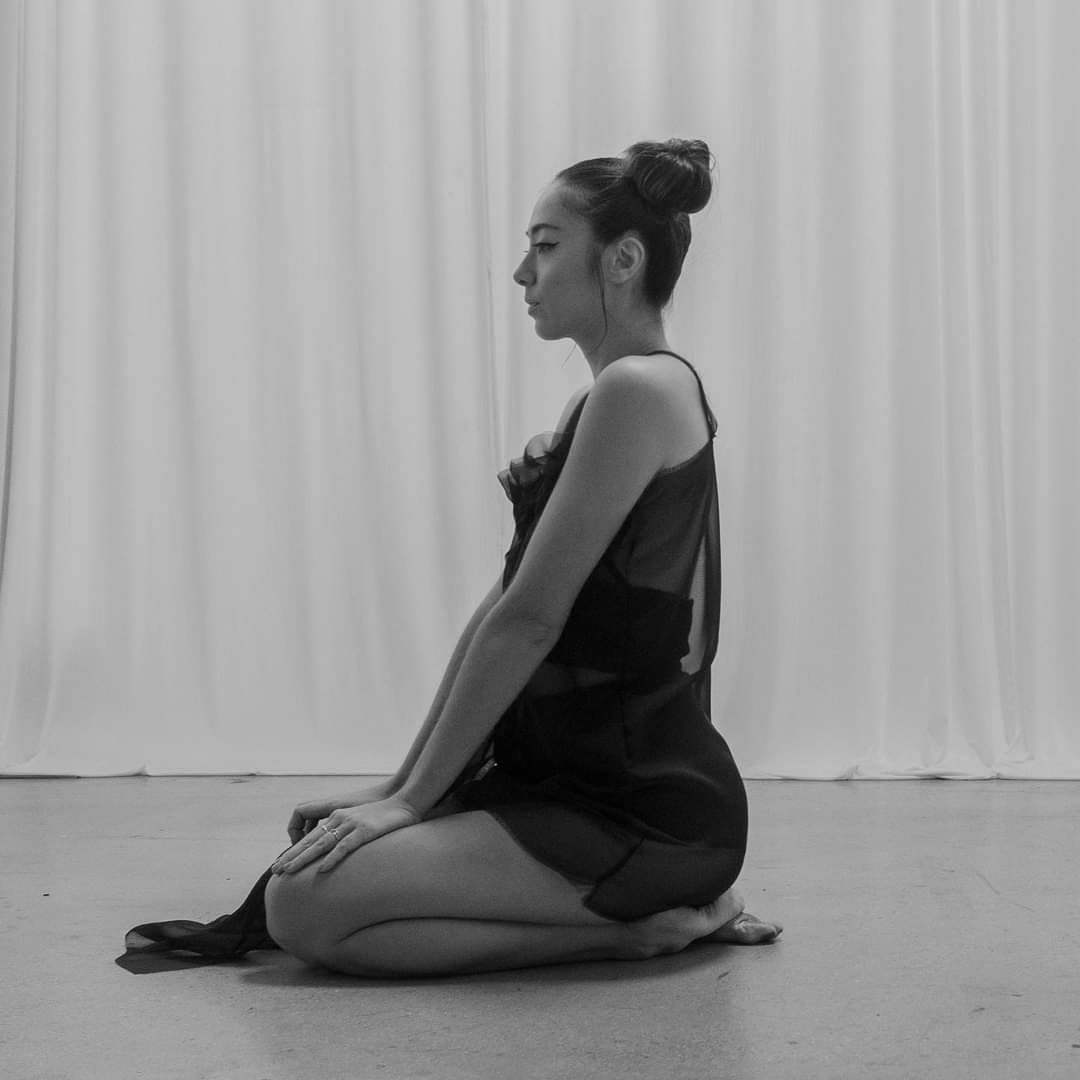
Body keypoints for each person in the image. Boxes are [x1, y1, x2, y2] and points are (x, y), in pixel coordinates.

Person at [117, 138, 781, 978]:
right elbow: (504, 605)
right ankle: (647, 920)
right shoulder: (605, 399)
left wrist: (411, 802)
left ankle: (646, 929)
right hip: (576, 781)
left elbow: (528, 622)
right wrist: (398, 787)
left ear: (621, 260)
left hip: (643, 811)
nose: (523, 272)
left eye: (546, 246)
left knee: (304, 907)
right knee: (305, 893)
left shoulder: (637, 391)